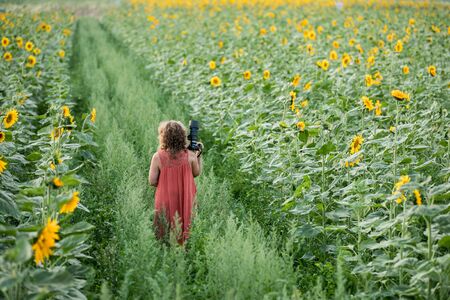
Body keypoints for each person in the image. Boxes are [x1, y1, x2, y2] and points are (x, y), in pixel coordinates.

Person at [148, 120, 202, 245]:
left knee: (164, 226)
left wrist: (165, 183)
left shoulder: (157, 157)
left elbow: (152, 181)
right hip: (186, 196)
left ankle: (165, 250)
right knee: (186, 225)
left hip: (165, 197)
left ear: (163, 137)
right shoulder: (190, 156)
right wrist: (198, 155)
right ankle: (184, 250)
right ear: (182, 137)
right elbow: (196, 173)